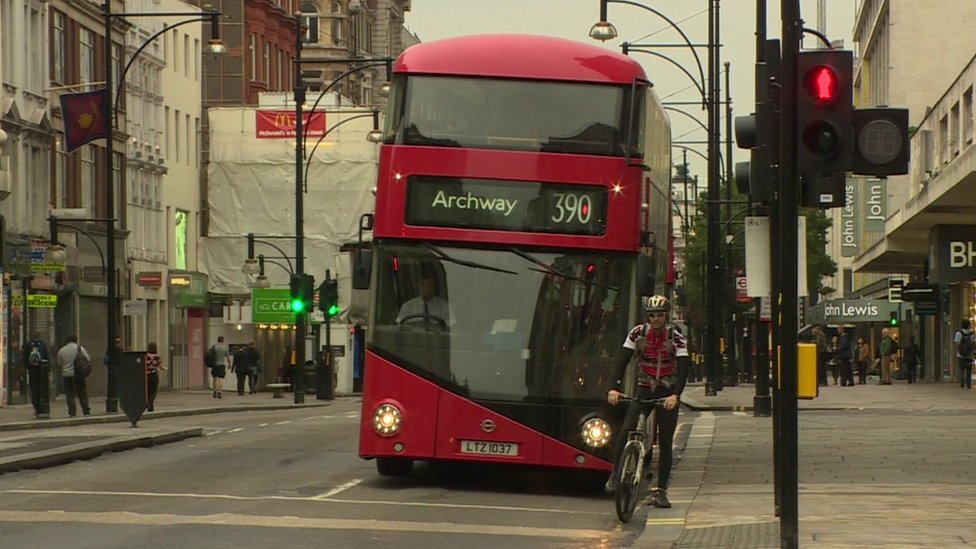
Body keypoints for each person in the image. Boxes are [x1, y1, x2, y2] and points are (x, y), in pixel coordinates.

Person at [606, 295, 690, 509]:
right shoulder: (637, 333)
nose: (655, 319)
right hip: (644, 390)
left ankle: (661, 491)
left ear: (666, 315)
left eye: (660, 315)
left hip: (667, 393)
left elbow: (683, 369)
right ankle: (616, 474)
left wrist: (676, 395)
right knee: (626, 429)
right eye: (652, 315)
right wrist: (614, 387)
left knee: (665, 442)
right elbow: (622, 360)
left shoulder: (676, 336)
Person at [56, 335, 90, 417]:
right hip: (78, 374)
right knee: (82, 392)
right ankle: (86, 411)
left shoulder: (62, 350)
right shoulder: (79, 348)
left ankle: (72, 412)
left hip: (66, 375)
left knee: (69, 394)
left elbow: (59, 363)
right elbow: (87, 358)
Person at [26, 332, 52, 419]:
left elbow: (25, 358)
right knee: (42, 389)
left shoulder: (29, 345)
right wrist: (49, 370)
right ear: (40, 336)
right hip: (42, 371)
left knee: (34, 389)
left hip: (32, 371)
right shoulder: (44, 345)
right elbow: (47, 357)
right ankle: (42, 407)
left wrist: (28, 368)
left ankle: (36, 406)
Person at [145, 342, 166, 411]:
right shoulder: (157, 357)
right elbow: (161, 367)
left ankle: (146, 403)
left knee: (147, 390)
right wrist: (165, 368)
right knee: (153, 391)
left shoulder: (145, 356)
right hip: (154, 375)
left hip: (146, 376)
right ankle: (150, 404)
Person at [955, 319, 974, 389]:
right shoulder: (972, 334)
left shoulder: (958, 333)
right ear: (969, 326)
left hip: (960, 355)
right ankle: (968, 383)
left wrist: (960, 351)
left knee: (961, 369)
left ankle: (962, 382)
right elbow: (973, 344)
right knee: (969, 370)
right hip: (969, 355)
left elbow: (957, 343)